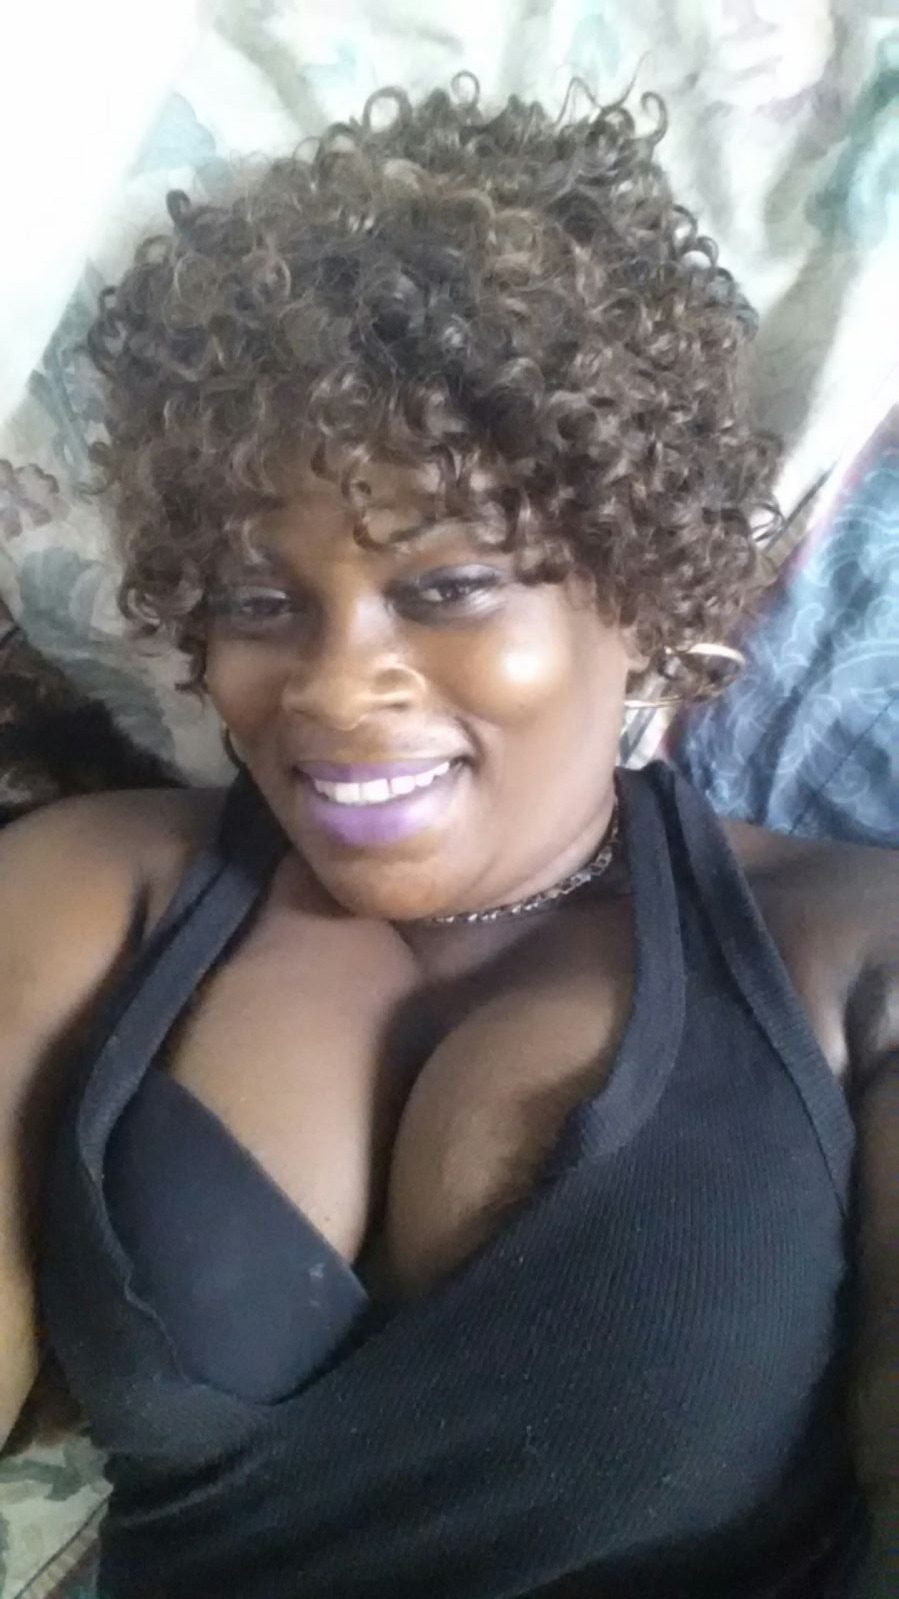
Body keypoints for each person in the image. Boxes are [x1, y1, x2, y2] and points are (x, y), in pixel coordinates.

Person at [0, 82, 895, 1598]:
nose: (334, 688)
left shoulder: (851, 960)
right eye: (261, 602)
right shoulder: (93, 895)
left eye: (450, 585)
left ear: (636, 582)